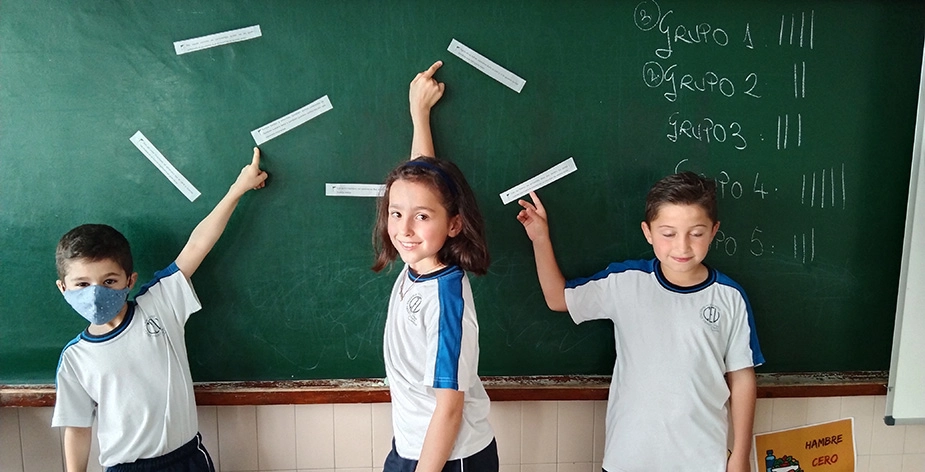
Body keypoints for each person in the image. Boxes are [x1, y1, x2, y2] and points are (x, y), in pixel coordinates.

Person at [516, 172, 764, 472]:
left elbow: (742, 378)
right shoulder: (625, 282)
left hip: (703, 459)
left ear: (714, 231)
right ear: (648, 232)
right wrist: (540, 238)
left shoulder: (730, 297)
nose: (682, 247)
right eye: (668, 234)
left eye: (696, 233)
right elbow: (558, 298)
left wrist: (740, 455)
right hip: (629, 458)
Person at [52, 148, 268, 472]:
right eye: (82, 284)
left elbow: (197, 245)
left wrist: (238, 189)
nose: (96, 293)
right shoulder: (75, 359)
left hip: (186, 459)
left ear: (129, 281)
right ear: (64, 288)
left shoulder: (159, 304)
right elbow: (77, 427)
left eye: (109, 281)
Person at [371, 61, 499, 472]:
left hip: (448, 458)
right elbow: (418, 186)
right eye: (395, 213)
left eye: (422, 218)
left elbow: (449, 409)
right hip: (411, 446)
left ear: (454, 224)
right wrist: (419, 114)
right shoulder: (420, 263)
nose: (404, 229)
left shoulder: (445, 300)